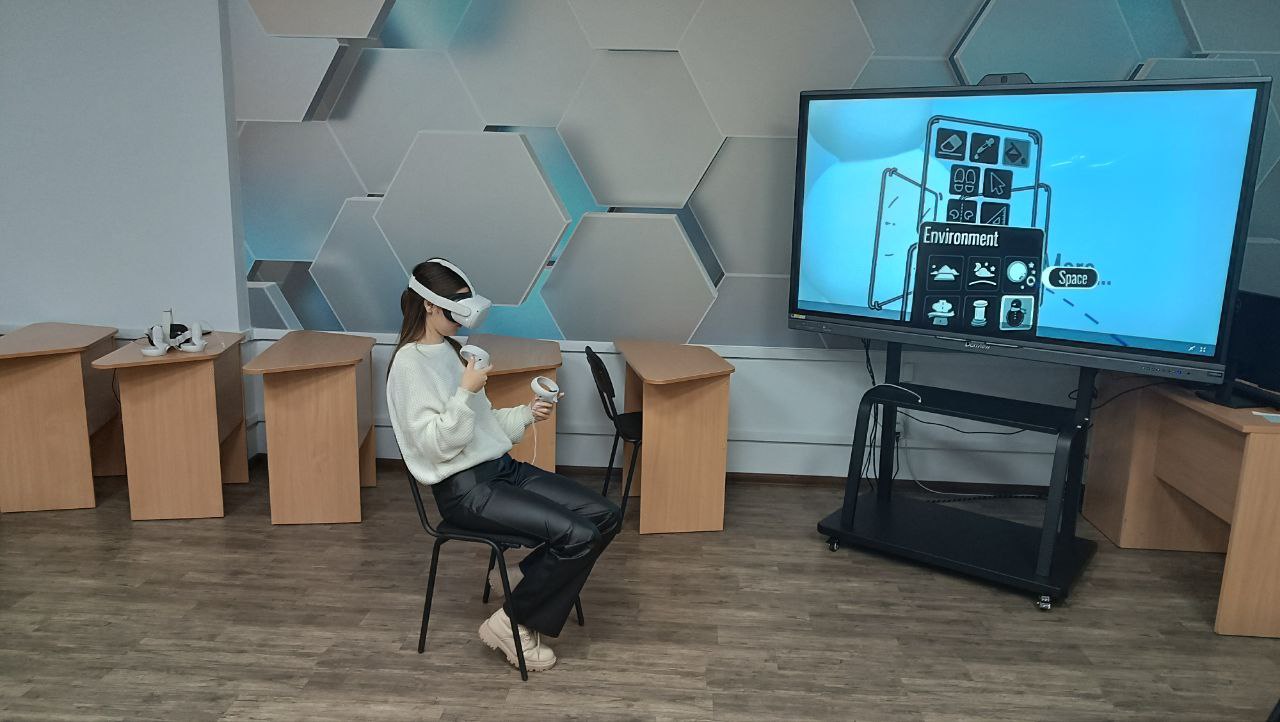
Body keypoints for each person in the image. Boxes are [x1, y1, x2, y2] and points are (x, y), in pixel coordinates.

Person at [386, 258, 622, 673]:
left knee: (606, 515)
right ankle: (511, 623)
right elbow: (435, 446)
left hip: (502, 469)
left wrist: (528, 412)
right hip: (466, 491)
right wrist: (465, 392)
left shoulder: (452, 351)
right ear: (428, 305)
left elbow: (483, 424)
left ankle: (522, 581)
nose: (463, 318)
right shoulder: (408, 365)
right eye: (455, 309)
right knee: (578, 536)